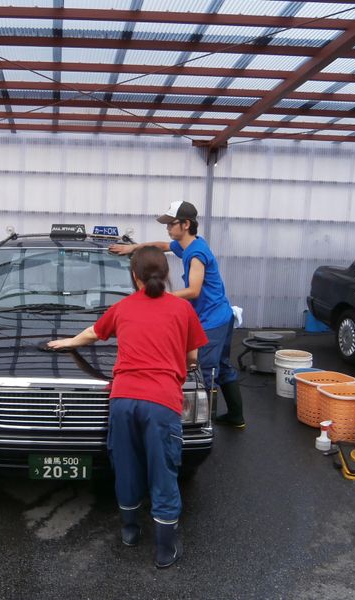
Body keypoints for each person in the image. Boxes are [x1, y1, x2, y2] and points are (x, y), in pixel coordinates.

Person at [48, 246, 207, 569]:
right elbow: (192, 357)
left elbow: (92, 334)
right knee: (163, 471)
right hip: (161, 403)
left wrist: (66, 342)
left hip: (122, 401)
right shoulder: (182, 309)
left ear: (134, 277)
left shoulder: (123, 307)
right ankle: (165, 549)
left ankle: (130, 532)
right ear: (166, 275)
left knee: (127, 466)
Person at [109, 201, 246, 428]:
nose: (167, 228)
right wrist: (134, 248)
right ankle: (236, 416)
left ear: (186, 224)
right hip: (222, 314)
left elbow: (194, 290)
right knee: (222, 366)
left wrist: (161, 296)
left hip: (212, 320)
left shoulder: (196, 254)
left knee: (204, 372)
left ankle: (201, 426)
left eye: (171, 224)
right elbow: (162, 245)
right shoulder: (190, 244)